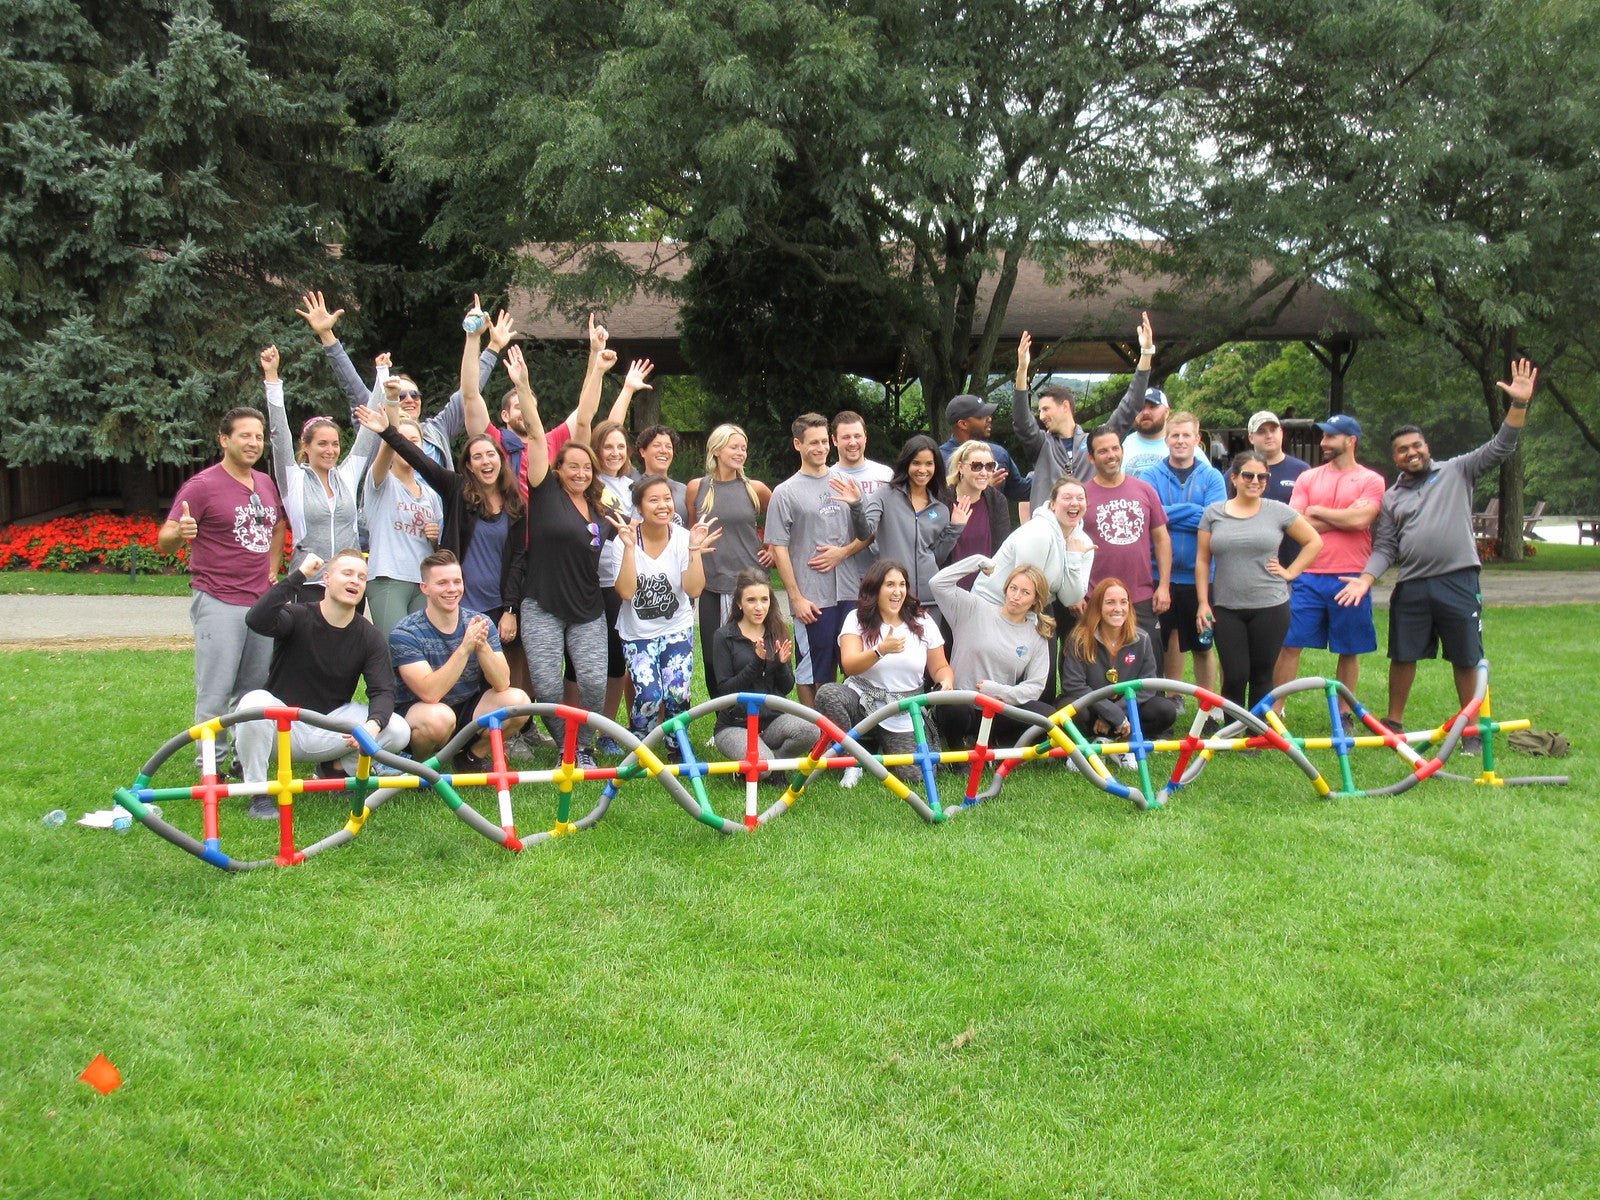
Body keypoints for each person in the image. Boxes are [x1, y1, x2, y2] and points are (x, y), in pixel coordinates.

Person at [1336, 359, 1538, 746]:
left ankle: (1471, 729)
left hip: (1458, 580)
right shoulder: (1392, 496)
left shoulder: (1459, 470)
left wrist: (1519, 404)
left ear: (1427, 447)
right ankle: (1393, 724)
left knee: (1465, 656)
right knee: (1403, 655)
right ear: (1394, 457)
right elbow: (1386, 546)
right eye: (1401, 450)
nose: (1410, 453)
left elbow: (1502, 446)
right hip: (1412, 586)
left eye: (1416, 446)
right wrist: (1366, 578)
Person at [358, 338, 532, 638]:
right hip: (457, 600)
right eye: (477, 457)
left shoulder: (514, 504)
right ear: (469, 465)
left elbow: (517, 561)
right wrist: (388, 431)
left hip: (498, 606)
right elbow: (419, 459)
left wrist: (510, 609)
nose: (486, 462)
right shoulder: (457, 489)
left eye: (491, 455)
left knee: (501, 677)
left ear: (501, 462)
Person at [158, 405, 286, 774]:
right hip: (218, 598)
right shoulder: (202, 486)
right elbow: (165, 538)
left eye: (259, 436)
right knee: (215, 693)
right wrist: (179, 534)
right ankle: (210, 768)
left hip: (260, 603)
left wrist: (272, 568)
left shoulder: (264, 482)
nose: (253, 443)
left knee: (254, 691)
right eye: (245, 435)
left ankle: (243, 762)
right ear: (224, 440)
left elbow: (277, 525)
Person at [236, 551, 411, 817]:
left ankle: (342, 772)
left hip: (330, 726)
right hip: (282, 727)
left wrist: (372, 726)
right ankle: (257, 792)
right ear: (326, 579)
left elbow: (383, 691)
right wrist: (299, 575)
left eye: (362, 577)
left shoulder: (369, 636)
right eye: (348, 573)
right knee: (251, 703)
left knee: (397, 729)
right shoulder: (297, 615)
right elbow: (256, 619)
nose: (355, 581)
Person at [302, 289, 509, 470]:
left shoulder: (437, 429)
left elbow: (468, 391)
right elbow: (351, 383)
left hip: (435, 515)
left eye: (415, 394)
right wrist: (327, 335)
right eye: (400, 395)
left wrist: (493, 347)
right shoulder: (376, 423)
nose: (410, 399)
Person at [510, 434, 617, 769]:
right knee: (547, 685)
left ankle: (583, 747)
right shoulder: (545, 495)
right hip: (542, 604)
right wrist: (525, 389)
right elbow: (538, 438)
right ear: (557, 470)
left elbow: (640, 527)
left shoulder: (602, 508)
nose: (580, 473)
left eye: (587, 467)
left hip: (587, 607)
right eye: (573, 466)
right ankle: (564, 748)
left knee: (594, 682)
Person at [1273, 413, 1387, 716]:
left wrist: (1320, 510)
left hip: (1351, 575)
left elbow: (1362, 519)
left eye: (1330, 437)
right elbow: (1295, 524)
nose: (1323, 442)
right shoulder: (1309, 477)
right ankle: (1275, 710)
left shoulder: (1371, 480)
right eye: (1323, 436)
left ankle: (1344, 713)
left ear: (1351, 441)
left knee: (1349, 649)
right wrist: (1343, 517)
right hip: (1308, 573)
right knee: (1290, 643)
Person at [1195, 452, 1323, 713]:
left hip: (1271, 605)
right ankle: (1231, 732)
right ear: (1234, 478)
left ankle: (1256, 734)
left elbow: (1314, 541)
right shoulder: (1214, 513)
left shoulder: (1277, 511)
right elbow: (1203, 561)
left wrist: (1290, 572)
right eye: (1248, 475)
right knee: (1235, 675)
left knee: (1262, 675)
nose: (1255, 481)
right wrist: (1202, 603)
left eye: (1262, 476)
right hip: (1226, 607)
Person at [815, 559, 954, 785]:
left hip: (903, 709)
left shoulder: (923, 621)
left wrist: (945, 681)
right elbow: (849, 665)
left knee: (915, 777)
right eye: (890, 585)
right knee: (828, 694)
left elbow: (940, 667)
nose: (897, 591)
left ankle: (875, 745)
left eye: (902, 585)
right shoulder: (856, 618)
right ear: (875, 588)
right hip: (862, 701)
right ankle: (852, 762)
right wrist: (880, 651)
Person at [389, 550, 530, 772]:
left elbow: (502, 683)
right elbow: (430, 693)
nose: (452, 589)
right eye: (442, 583)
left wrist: (482, 646)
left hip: (467, 708)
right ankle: (419, 766)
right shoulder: (406, 632)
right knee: (439, 718)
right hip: (422, 714)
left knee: (519, 701)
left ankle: (472, 758)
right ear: (424, 588)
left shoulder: (480, 622)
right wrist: (464, 648)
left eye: (457, 581)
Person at [259, 342, 378, 603]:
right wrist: (272, 379)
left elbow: (370, 432)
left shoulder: (346, 476)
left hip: (348, 582)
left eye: (335, 444)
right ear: (306, 446)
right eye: (322, 443)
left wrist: (382, 376)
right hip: (309, 582)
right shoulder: (294, 479)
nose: (331, 450)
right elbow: (279, 435)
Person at [610, 475, 722, 747]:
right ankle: (640, 743)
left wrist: (694, 548)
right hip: (638, 633)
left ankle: (677, 745)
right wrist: (628, 549)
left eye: (667, 498)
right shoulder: (623, 541)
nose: (663, 505)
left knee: (677, 693)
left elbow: (694, 590)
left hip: (676, 628)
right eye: (653, 500)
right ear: (639, 507)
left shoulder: (684, 538)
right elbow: (626, 593)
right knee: (649, 696)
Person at [767, 413, 870, 706]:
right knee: (815, 669)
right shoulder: (785, 492)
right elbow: (778, 547)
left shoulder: (846, 482)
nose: (821, 448)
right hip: (813, 596)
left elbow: (865, 534)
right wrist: (795, 598)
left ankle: (845, 729)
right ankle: (816, 733)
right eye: (814, 443)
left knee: (850, 665)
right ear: (797, 444)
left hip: (849, 591)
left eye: (825, 441)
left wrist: (857, 503)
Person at [1010, 312, 1157, 512]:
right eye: (1040, 410)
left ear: (1065, 407)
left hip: (1088, 532)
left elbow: (1129, 407)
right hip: (1049, 535)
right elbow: (1021, 422)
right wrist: (1021, 371)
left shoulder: (1095, 442)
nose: (1041, 416)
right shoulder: (1041, 445)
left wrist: (1147, 353)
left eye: (1046, 409)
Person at [836, 434, 970, 617]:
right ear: (906, 464)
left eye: (929, 463)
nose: (922, 470)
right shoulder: (885, 494)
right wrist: (856, 505)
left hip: (930, 601)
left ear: (936, 466)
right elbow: (864, 533)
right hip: (893, 598)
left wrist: (955, 528)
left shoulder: (940, 509)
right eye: (916, 463)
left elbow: (936, 556)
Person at [686, 424, 773, 699]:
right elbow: (691, 533)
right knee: (714, 657)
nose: (741, 453)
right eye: (734, 447)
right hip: (711, 584)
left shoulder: (755, 489)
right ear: (716, 449)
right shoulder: (696, 488)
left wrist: (771, 546)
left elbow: (781, 522)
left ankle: (759, 716)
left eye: (744, 448)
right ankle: (722, 719)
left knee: (755, 651)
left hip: (750, 584)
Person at [930, 555, 1054, 748]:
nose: (1016, 596)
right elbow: (937, 583)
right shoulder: (974, 608)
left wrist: (999, 691)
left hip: (999, 709)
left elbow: (1036, 686)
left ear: (1035, 599)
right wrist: (977, 561)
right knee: (952, 705)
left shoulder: (1036, 635)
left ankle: (997, 744)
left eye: (1025, 592)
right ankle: (959, 753)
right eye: (1013, 588)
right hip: (963, 706)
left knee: (1048, 716)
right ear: (1005, 588)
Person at [1143, 410, 1226, 699]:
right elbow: (1148, 517)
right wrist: (1194, 512)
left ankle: (1208, 704)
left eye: (1186, 435)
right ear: (1166, 439)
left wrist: (1166, 516)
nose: (1180, 441)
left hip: (1200, 575)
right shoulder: (1150, 475)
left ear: (1197, 439)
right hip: (1157, 573)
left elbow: (1215, 520)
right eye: (1174, 435)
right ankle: (1167, 700)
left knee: (1203, 643)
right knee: (1162, 643)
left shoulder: (1212, 477)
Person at [1060, 579, 1181, 758]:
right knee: (1067, 709)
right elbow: (1073, 685)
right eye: (1110, 602)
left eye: (1123, 602)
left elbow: (1148, 685)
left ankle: (1116, 740)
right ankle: (1088, 745)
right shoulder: (1079, 639)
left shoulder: (1142, 638)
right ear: (1097, 607)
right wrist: (1111, 713)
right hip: (1092, 709)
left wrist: (1118, 715)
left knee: (1165, 710)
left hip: (1127, 710)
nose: (1118, 608)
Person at [709, 567, 818, 766]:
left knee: (811, 730)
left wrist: (781, 665)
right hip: (735, 725)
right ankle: (767, 767)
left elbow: (785, 688)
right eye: (751, 600)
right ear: (739, 603)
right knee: (762, 765)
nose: (759, 607)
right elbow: (725, 691)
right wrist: (757, 662)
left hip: (771, 721)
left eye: (764, 600)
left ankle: (774, 764)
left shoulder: (778, 631)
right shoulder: (724, 636)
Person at [360, 407, 443, 639]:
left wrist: (435, 539)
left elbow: (439, 550)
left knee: (421, 651)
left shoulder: (431, 495)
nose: (407, 446)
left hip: (423, 582)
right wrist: (393, 400)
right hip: (389, 577)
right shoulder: (381, 483)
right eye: (402, 440)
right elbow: (388, 442)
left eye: (414, 440)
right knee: (395, 647)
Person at [1083, 425, 1172, 629]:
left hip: (1140, 595)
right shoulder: (1082, 495)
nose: (1111, 455)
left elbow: (1162, 540)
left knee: (1146, 658)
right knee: (1099, 659)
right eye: (1103, 451)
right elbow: (1069, 547)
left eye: (1115, 448)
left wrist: (1164, 587)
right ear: (1091, 457)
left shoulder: (1144, 490)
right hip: (1096, 596)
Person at [828, 410, 893, 601]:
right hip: (845, 574)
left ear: (865, 437)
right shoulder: (828, 479)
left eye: (857, 436)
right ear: (834, 440)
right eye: (846, 437)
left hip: (883, 569)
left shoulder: (886, 475)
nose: (853, 442)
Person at [1242, 410, 1312, 567]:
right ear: (1251, 438)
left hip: (1292, 565)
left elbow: (1311, 517)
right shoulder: (1237, 473)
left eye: (1273, 430)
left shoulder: (1302, 471)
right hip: (1249, 565)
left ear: (1281, 433)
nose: (1268, 435)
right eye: (1261, 431)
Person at [939, 440, 1012, 582]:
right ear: (960, 467)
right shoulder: (942, 500)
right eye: (977, 466)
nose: (984, 473)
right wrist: (954, 527)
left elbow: (1002, 551)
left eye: (990, 466)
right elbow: (934, 552)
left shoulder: (998, 501)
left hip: (986, 589)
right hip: (949, 589)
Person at [938, 394, 1030, 507]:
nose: (989, 418)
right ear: (963, 424)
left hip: (992, 523)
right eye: (981, 416)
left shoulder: (998, 453)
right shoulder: (938, 459)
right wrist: (984, 487)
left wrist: (1049, 472)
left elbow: (1019, 490)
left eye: (989, 466)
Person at [634, 423, 687, 522]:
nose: (663, 451)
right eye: (657, 445)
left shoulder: (684, 490)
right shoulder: (631, 485)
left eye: (668, 447)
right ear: (642, 452)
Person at [1120, 387, 1171, 479]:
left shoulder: (1185, 446)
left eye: (1153, 407)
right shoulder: (1120, 447)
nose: (1146, 412)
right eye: (1141, 407)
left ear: (1167, 412)